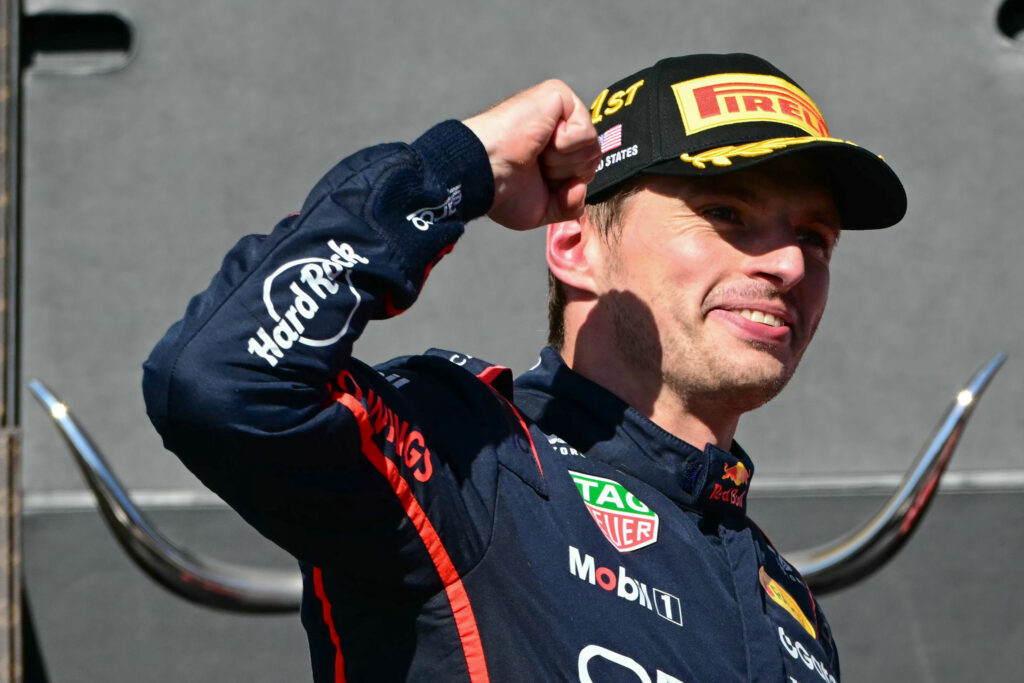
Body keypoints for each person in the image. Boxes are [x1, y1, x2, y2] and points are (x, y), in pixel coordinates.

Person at [143, 53, 905, 682]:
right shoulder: (471, 457)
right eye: (726, 214)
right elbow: (221, 381)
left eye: (815, 237)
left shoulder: (791, 608)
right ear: (575, 246)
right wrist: (457, 167)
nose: (788, 264)